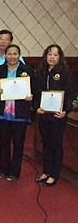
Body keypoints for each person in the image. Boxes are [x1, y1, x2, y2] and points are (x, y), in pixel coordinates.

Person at [33, 44, 75, 187]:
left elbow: (70, 94)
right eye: (49, 54)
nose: (52, 57)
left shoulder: (65, 73)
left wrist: (65, 110)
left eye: (55, 55)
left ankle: (55, 174)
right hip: (44, 115)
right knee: (45, 143)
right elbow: (36, 93)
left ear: (60, 57)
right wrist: (36, 107)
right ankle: (46, 171)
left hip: (58, 116)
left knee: (55, 144)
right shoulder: (41, 72)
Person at [0, 44, 35, 181]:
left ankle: (15, 172)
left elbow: (34, 90)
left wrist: (30, 96)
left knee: (18, 143)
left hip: (20, 113)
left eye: (15, 54)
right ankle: (3, 169)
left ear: (19, 55)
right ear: (5, 55)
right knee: (4, 142)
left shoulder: (27, 70)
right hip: (3, 112)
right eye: (9, 54)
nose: (12, 57)